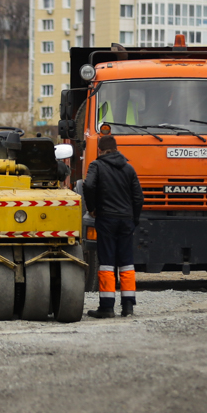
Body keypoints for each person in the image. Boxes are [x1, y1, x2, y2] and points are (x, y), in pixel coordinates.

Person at [83, 134, 144, 318]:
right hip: (126, 220)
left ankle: (107, 307)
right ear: (116, 149)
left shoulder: (97, 166)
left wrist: (92, 208)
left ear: (99, 150)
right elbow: (138, 197)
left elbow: (88, 186)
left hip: (107, 219)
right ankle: (128, 306)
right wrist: (134, 219)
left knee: (107, 264)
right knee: (126, 264)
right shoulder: (128, 168)